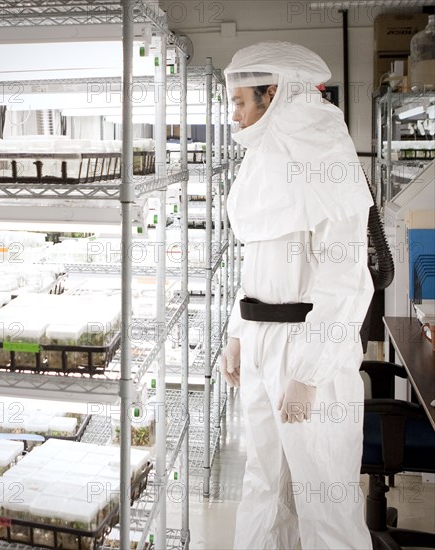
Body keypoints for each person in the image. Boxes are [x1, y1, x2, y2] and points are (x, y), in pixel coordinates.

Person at [221, 41, 374, 550]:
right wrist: (239, 334)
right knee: (265, 487)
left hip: (310, 353)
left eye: (242, 101)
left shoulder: (324, 158)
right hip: (263, 346)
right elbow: (255, 266)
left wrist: (308, 375)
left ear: (275, 93)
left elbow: (346, 276)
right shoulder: (261, 163)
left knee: (324, 497)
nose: (235, 115)